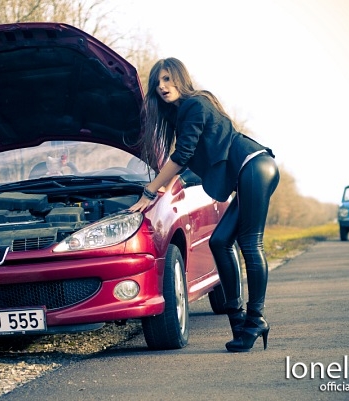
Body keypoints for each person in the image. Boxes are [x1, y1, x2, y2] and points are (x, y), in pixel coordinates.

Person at [128, 58, 279, 352]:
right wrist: (162, 189)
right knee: (220, 241)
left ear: (181, 78)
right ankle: (239, 321)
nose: (162, 86)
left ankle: (256, 319)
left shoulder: (195, 104)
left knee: (250, 244)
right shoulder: (180, 115)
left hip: (254, 165)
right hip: (248, 173)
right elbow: (185, 162)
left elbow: (182, 155)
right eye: (157, 82)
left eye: (168, 79)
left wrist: (150, 191)